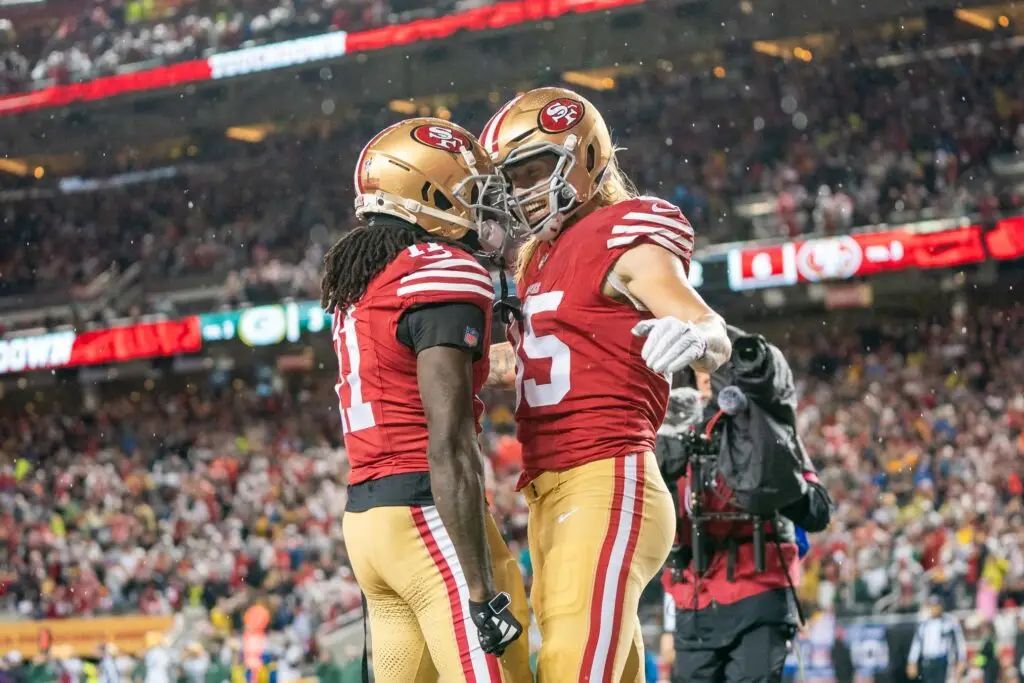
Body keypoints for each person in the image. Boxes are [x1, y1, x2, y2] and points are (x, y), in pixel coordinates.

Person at [480, 87, 732, 682]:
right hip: (549, 490)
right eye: (513, 181)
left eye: (535, 171)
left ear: (586, 158)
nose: (523, 192)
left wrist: (698, 340)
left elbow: (709, 326)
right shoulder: (536, 256)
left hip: (607, 475)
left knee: (568, 665)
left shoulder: (625, 229)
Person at [323, 117, 530, 683]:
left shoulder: (365, 277)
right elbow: (449, 446)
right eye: (469, 194)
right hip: (424, 513)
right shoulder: (441, 271)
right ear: (426, 194)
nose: (483, 209)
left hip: (367, 519)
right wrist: (482, 591)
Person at [660, 332, 832, 683]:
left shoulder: (767, 433)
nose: (708, 384)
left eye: (717, 373)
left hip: (759, 593)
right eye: (701, 374)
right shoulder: (673, 434)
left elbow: (818, 510)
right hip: (692, 602)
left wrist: (776, 481)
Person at [906, 597, 966, 683]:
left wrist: (961, 658)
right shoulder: (924, 623)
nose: (935, 609)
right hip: (927, 661)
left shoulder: (949, 622)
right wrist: (912, 661)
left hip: (943, 660)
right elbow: (917, 643)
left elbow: (959, 641)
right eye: (932, 606)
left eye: (937, 606)